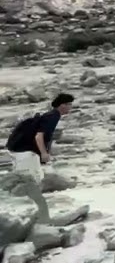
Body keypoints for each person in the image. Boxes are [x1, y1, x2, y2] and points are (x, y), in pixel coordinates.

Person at [5, 93, 73, 222]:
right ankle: (31, 215)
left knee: (28, 180)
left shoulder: (50, 115)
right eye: (69, 104)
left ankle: (25, 214)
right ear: (62, 105)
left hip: (20, 150)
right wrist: (44, 153)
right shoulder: (53, 116)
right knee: (32, 181)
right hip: (26, 152)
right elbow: (39, 136)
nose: (70, 107)